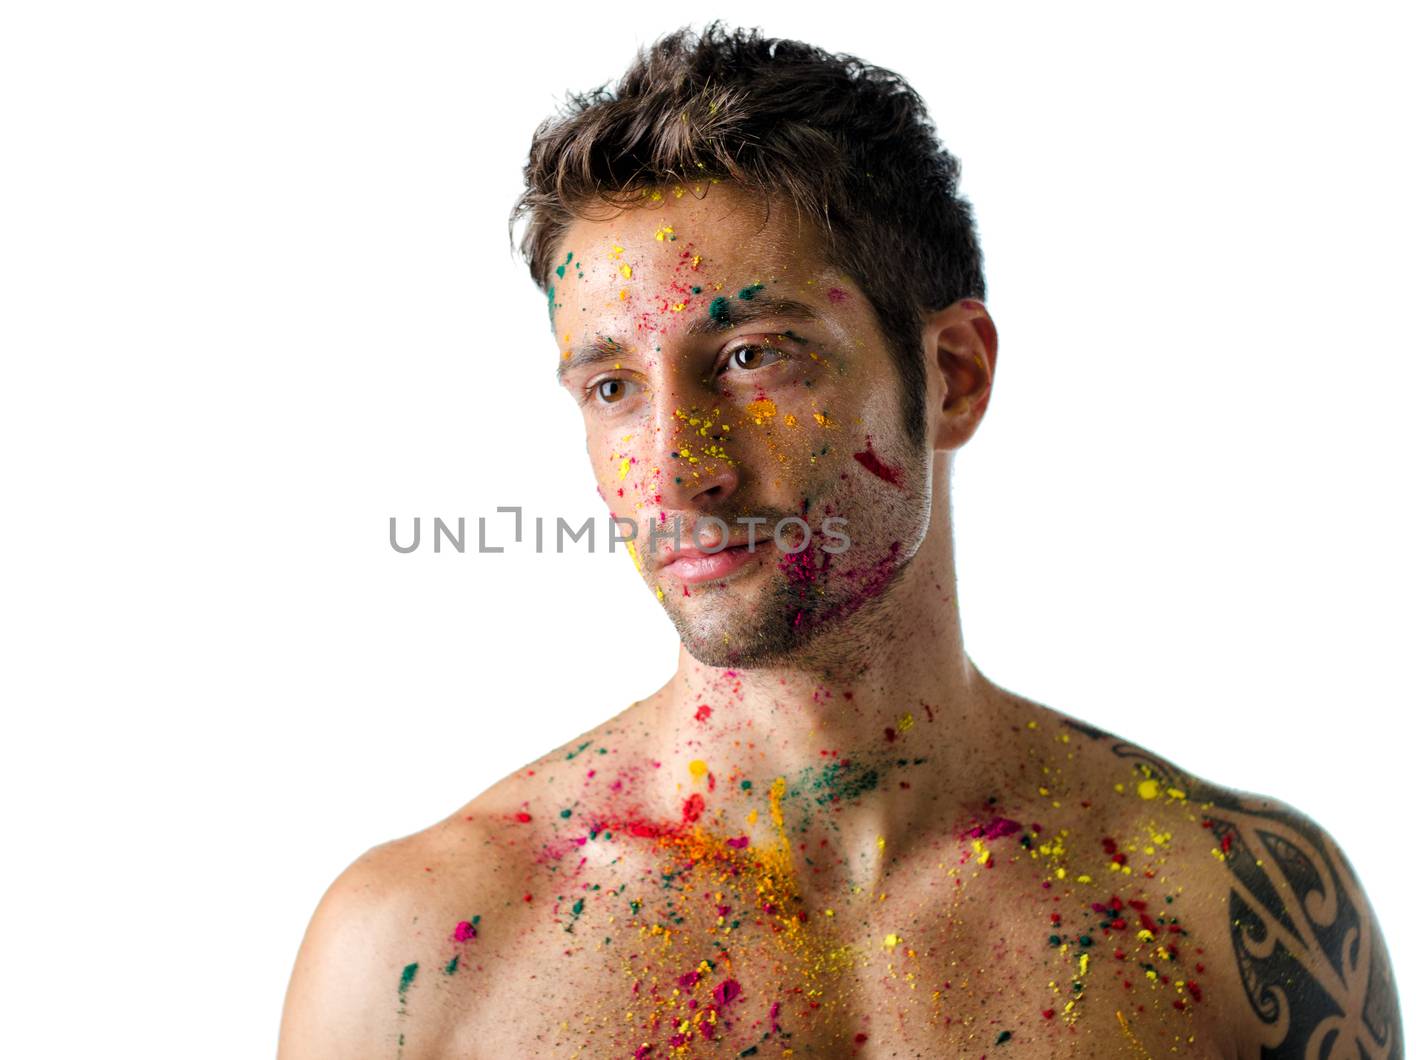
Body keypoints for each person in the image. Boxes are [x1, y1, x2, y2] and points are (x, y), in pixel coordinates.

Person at [279, 22, 1402, 1059]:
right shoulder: (420, 954)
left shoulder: (1226, 908)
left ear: (952, 376)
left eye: (755, 357)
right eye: (613, 385)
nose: (676, 467)